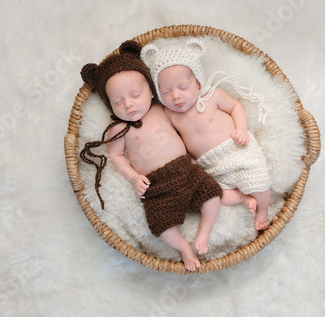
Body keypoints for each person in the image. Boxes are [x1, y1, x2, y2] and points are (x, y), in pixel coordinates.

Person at [79, 40, 223, 271]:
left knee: (213, 196)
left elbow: (181, 130)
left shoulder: (160, 108)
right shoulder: (119, 129)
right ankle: (184, 247)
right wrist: (134, 178)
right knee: (160, 227)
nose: (128, 104)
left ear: (151, 90)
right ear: (109, 104)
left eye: (136, 94)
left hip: (186, 170)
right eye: (117, 101)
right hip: (156, 187)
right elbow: (116, 157)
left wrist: (192, 156)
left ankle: (204, 231)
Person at [141, 39, 272, 230]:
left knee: (258, 183)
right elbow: (172, 139)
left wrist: (241, 129)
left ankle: (263, 211)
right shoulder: (169, 114)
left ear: (198, 83)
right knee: (216, 194)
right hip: (209, 164)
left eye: (183, 87)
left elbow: (236, 107)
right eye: (166, 91)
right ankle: (243, 197)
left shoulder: (212, 96)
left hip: (236, 148)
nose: (176, 96)